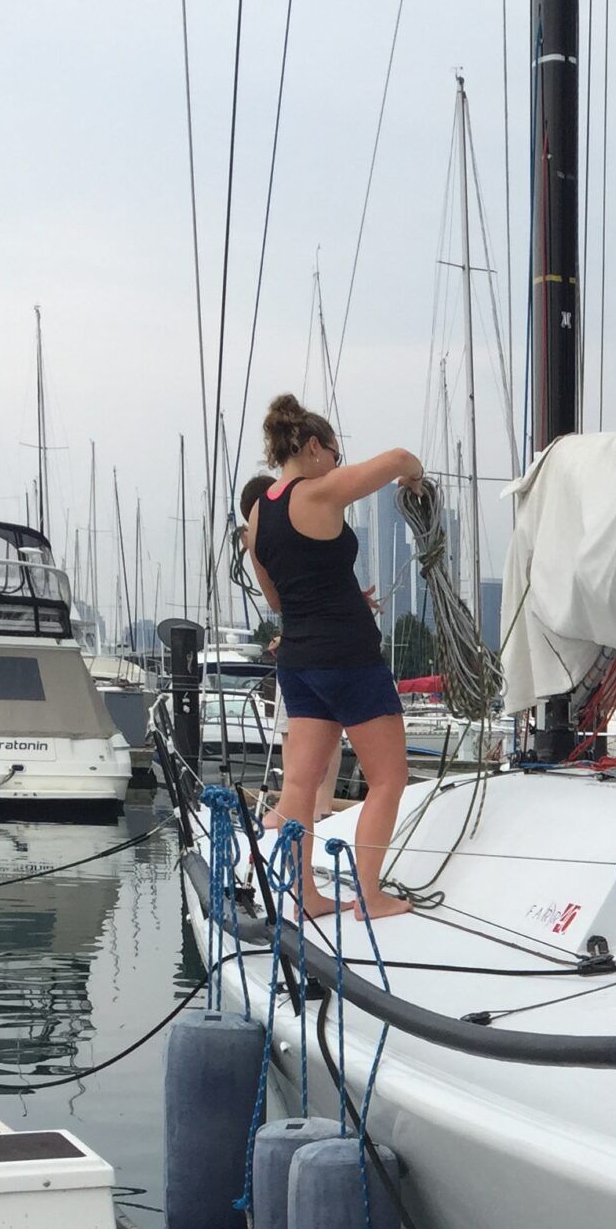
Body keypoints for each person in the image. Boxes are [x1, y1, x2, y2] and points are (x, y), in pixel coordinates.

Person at [244, 394, 423, 919]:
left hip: (298, 662)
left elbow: (278, 597)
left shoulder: (259, 512)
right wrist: (413, 480)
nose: (338, 465)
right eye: (336, 454)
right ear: (315, 447)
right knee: (389, 777)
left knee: (299, 784)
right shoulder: (319, 493)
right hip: (348, 659)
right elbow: (397, 458)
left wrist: (344, 594)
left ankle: (305, 896)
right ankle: (369, 897)